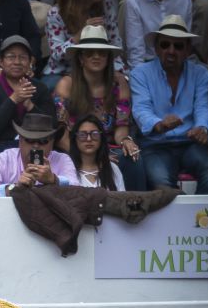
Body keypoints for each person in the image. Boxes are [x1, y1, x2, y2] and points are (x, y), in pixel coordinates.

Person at [131, 15, 208, 194]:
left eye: (178, 46)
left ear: (188, 49)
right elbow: (141, 109)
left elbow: (203, 108)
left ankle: (199, 218)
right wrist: (159, 124)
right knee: (161, 182)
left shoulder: (201, 74)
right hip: (154, 145)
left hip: (190, 144)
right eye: (165, 45)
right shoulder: (140, 73)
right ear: (156, 48)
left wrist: (202, 128)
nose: (171, 50)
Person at [53, 25, 144, 190]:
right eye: (89, 53)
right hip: (74, 148)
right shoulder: (66, 85)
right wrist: (92, 156)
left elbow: (121, 128)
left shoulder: (119, 83)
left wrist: (125, 141)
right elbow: (61, 135)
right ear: (81, 58)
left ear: (109, 58)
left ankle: (135, 206)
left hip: (108, 147)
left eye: (102, 53)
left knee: (133, 158)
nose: (96, 57)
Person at [43, 0, 123, 91]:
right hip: (66, 70)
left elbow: (115, 43)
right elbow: (57, 55)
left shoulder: (105, 2)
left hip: (101, 67)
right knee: (49, 87)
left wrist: (120, 72)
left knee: (124, 83)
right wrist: (79, 36)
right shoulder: (56, 14)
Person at [0, 33, 54, 171]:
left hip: (34, 150)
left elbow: (50, 128)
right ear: (1, 61)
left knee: (41, 177)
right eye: (11, 57)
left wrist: (29, 105)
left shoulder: (39, 88)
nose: (17, 62)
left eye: (23, 57)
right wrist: (14, 99)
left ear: (30, 62)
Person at [0, 111, 76, 195]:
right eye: (29, 140)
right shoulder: (2, 160)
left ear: (52, 143)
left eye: (43, 141)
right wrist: (14, 188)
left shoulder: (62, 159)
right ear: (20, 141)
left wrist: (54, 180)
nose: (36, 146)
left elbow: (78, 190)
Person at [69, 113, 125, 189]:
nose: (89, 139)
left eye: (94, 134)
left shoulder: (113, 169)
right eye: (82, 135)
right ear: (75, 138)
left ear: (101, 138)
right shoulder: (67, 168)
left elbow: (121, 199)